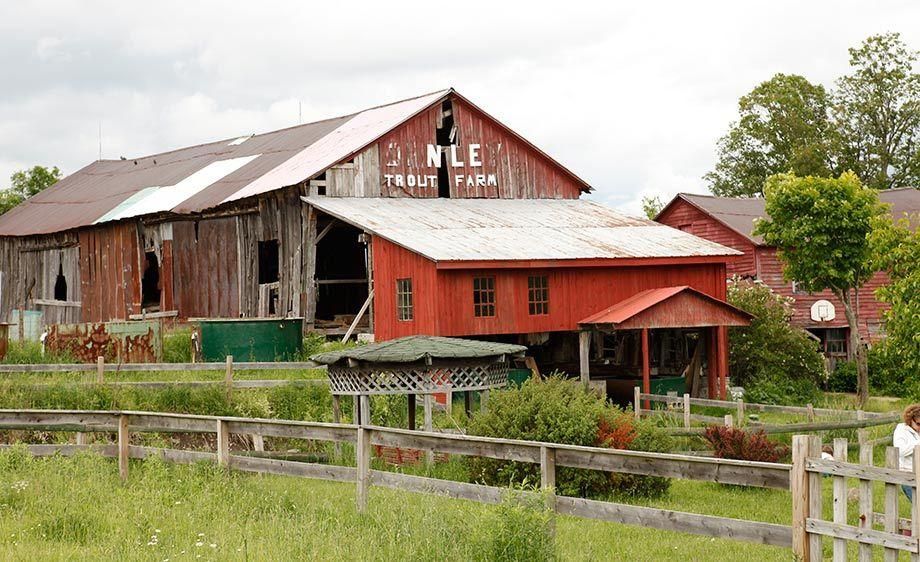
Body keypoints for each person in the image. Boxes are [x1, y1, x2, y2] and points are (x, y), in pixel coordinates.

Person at [894, 404, 920, 502]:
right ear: (910, 419)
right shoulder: (901, 430)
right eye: (918, 424)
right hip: (908, 475)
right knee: (917, 504)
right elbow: (901, 451)